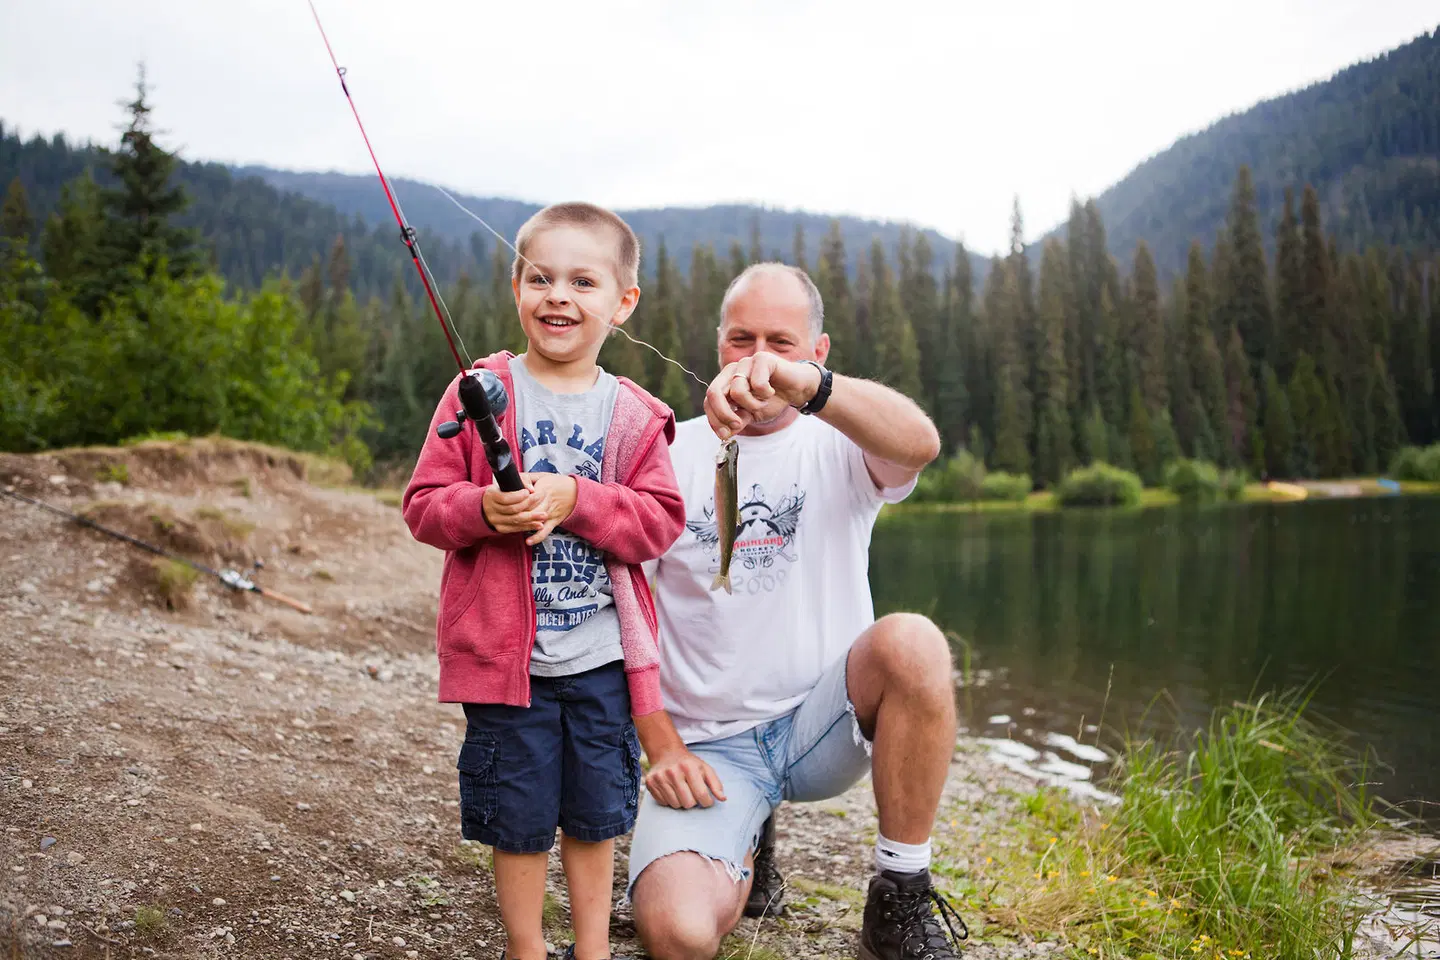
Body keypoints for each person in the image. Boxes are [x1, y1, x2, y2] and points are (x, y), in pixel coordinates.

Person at [402, 202, 713, 960]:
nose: (559, 297)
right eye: (540, 278)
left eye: (583, 281)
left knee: (595, 814)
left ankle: (593, 949)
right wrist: (485, 508)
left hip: (604, 663)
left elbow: (660, 521)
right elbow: (423, 507)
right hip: (509, 667)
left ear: (622, 302)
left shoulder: (636, 416)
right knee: (518, 817)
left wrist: (579, 499)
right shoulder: (476, 389)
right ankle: (526, 948)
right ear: (516, 287)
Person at [628, 263, 966, 960]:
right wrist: (660, 742)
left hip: (822, 727)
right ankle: (745, 835)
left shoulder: (843, 440)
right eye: (739, 339)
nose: (757, 359)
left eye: (780, 342)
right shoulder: (667, 451)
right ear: (717, 345)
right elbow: (628, 612)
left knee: (914, 643)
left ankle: (899, 894)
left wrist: (814, 393)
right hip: (712, 748)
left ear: (819, 351)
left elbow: (921, 444)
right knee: (677, 934)